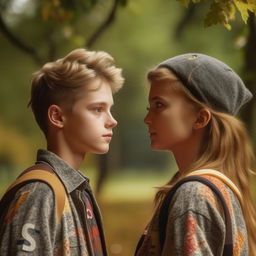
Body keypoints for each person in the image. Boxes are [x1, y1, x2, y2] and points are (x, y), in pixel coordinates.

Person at [0, 48, 124, 255]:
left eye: (109, 109)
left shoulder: (78, 190)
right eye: (97, 109)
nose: (112, 121)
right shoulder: (40, 194)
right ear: (57, 116)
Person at [135, 53, 256, 255]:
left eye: (159, 105)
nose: (147, 118)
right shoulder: (219, 187)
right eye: (150, 107)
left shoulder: (192, 195)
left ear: (200, 118)